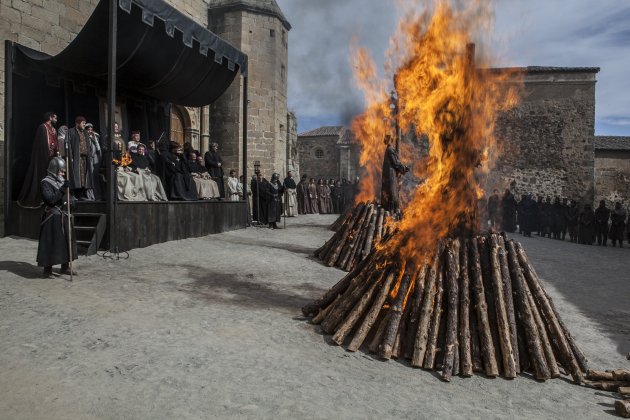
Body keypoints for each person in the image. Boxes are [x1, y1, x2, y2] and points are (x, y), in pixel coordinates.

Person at [37, 157, 77, 278]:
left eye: (64, 171)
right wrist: (63, 189)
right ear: (54, 169)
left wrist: (73, 202)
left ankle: (64, 268)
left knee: (66, 243)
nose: (63, 173)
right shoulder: (45, 183)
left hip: (64, 216)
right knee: (51, 243)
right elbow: (51, 200)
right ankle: (47, 270)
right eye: (61, 171)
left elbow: (70, 198)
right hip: (52, 217)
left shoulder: (62, 182)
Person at [18, 112, 59, 208]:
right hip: (43, 158)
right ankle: (41, 198)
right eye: (55, 118)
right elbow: (40, 144)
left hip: (52, 159)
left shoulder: (54, 130)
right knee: (42, 177)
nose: (56, 119)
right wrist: (46, 155)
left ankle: (51, 198)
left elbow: (56, 143)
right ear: (50, 117)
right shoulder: (42, 127)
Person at [66, 116, 97, 201]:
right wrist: (71, 157)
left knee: (85, 177)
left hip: (85, 158)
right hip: (76, 158)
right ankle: (77, 194)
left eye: (84, 123)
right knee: (77, 177)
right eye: (83, 123)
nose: (84, 124)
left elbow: (88, 145)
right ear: (77, 123)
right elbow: (68, 146)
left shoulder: (85, 133)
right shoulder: (70, 132)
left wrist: (89, 155)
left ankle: (83, 194)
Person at [380, 134, 409, 212]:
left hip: (388, 175)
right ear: (391, 140)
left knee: (389, 194)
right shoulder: (390, 150)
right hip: (390, 176)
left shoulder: (388, 150)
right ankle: (391, 212)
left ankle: (389, 210)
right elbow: (396, 164)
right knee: (392, 194)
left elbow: (395, 162)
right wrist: (404, 168)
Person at [85, 123, 103, 200]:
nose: (90, 131)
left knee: (95, 177)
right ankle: (90, 195)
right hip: (88, 158)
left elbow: (98, 148)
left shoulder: (96, 136)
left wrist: (94, 138)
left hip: (95, 158)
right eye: (88, 130)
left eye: (91, 129)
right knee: (89, 178)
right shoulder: (84, 136)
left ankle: (97, 195)